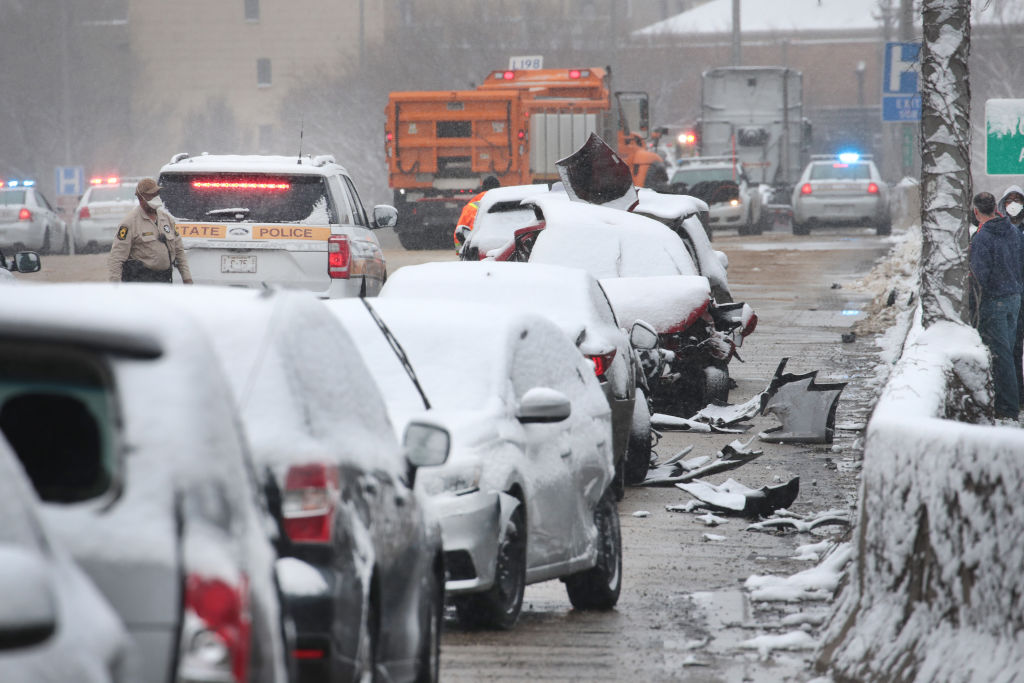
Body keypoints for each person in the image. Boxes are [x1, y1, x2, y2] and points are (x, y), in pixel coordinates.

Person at [969, 191, 1023, 421]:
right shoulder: (1011, 230)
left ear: (976, 212)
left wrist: (972, 305)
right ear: (996, 208)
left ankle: (1008, 408)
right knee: (1010, 352)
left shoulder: (982, 238)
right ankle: (1012, 401)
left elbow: (979, 276)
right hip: (1014, 298)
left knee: (1000, 357)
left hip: (996, 302)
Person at [108, 178, 193, 284]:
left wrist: (187, 278)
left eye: (156, 194)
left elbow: (179, 251)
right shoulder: (129, 223)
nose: (155, 197)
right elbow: (117, 257)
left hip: (164, 279)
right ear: (141, 198)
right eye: (151, 195)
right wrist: (115, 287)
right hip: (141, 281)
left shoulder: (167, 219)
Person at [998, 185, 1024, 409]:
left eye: (1017, 200)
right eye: (1009, 200)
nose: (1014, 205)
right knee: (1012, 347)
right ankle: (1015, 394)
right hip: (1010, 294)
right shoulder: (1000, 230)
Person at [453, 175, 500, 252]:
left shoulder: (469, 208)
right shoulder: (506, 205)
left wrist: (461, 253)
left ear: (482, 189)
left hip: (475, 252)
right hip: (500, 251)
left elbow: (458, 232)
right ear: (498, 189)